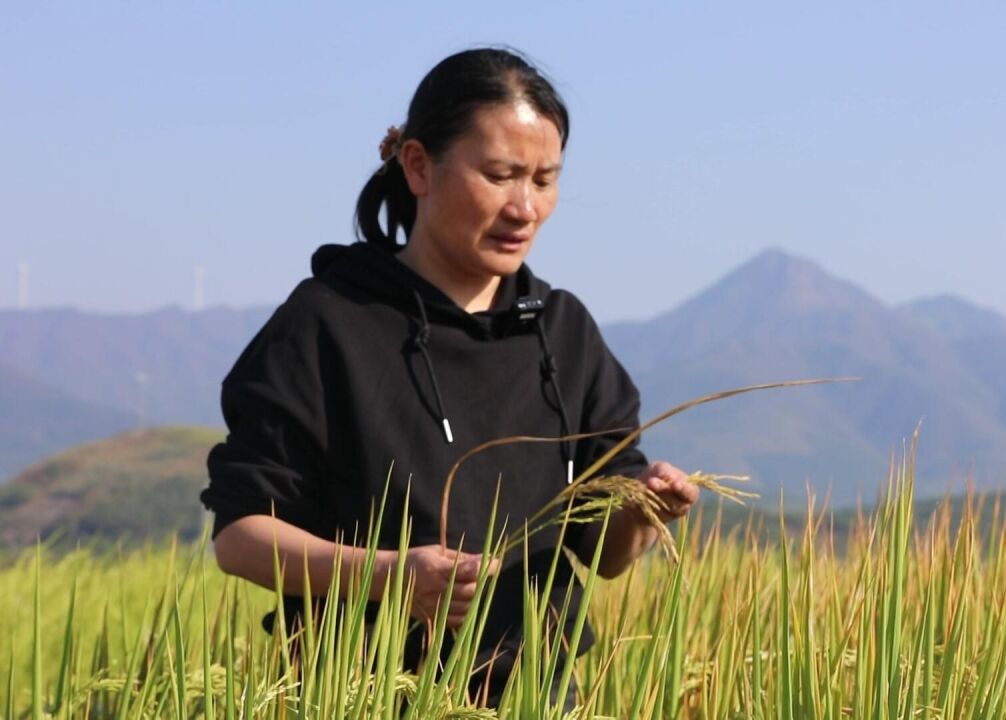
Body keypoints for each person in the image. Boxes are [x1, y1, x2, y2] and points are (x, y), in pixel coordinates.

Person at [199, 47, 699, 706]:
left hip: (538, 698)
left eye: (544, 180)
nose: (525, 207)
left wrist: (643, 509)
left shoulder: (561, 332)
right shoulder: (328, 323)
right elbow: (240, 538)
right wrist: (390, 576)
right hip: (361, 696)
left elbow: (604, 556)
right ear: (418, 167)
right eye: (500, 174)